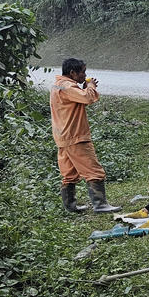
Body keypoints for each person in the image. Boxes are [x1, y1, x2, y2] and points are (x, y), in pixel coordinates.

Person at [50, 57, 119, 213]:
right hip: (75, 136)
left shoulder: (59, 85)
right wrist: (90, 87)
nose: (84, 75)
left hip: (62, 136)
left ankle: (70, 206)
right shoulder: (68, 87)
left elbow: (76, 97)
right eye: (83, 72)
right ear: (73, 72)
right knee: (93, 170)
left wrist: (83, 86)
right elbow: (87, 98)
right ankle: (100, 204)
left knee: (69, 173)